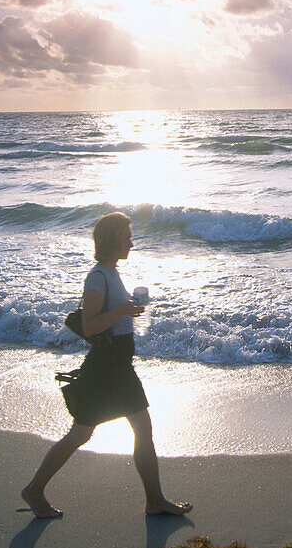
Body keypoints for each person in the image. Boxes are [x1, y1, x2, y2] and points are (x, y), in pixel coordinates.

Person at [21, 211, 192, 519]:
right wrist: (122, 311)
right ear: (113, 240)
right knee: (82, 433)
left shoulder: (111, 273)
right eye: (127, 237)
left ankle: (155, 500)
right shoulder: (97, 277)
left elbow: (111, 317)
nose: (131, 243)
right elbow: (89, 326)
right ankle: (34, 490)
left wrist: (129, 311)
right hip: (105, 369)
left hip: (118, 366)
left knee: (137, 429)